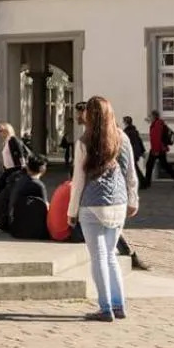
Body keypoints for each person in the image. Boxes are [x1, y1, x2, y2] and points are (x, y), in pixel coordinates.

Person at [70, 96, 139, 323]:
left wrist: (72, 212)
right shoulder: (122, 137)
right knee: (110, 256)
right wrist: (133, 199)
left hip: (92, 204)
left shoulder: (84, 141)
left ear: (89, 115)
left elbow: (78, 181)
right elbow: (130, 172)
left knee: (98, 258)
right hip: (118, 204)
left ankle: (105, 307)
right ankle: (119, 305)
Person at [7, 156, 51, 240]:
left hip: (15, 228)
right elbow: (46, 207)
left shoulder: (21, 180)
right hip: (35, 232)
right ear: (42, 169)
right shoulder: (38, 185)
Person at [145, 111, 174, 188]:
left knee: (150, 165)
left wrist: (156, 150)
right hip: (159, 148)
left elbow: (157, 138)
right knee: (164, 165)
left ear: (154, 116)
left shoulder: (157, 124)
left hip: (157, 149)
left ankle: (147, 183)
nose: (149, 118)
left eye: (150, 116)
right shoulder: (157, 124)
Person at [0, 123, 28, 199]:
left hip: (14, 169)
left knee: (2, 187)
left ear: (7, 130)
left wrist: (22, 167)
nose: (0, 133)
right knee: (4, 188)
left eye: (1, 130)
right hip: (8, 170)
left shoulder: (13, 140)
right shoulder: (6, 142)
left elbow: (20, 154)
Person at [122, 116, 148, 187]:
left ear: (126, 122)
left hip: (132, 153)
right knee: (134, 168)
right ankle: (142, 182)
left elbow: (125, 144)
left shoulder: (127, 132)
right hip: (136, 152)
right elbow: (139, 141)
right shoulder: (134, 131)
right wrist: (142, 151)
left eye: (124, 121)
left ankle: (143, 183)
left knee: (134, 168)